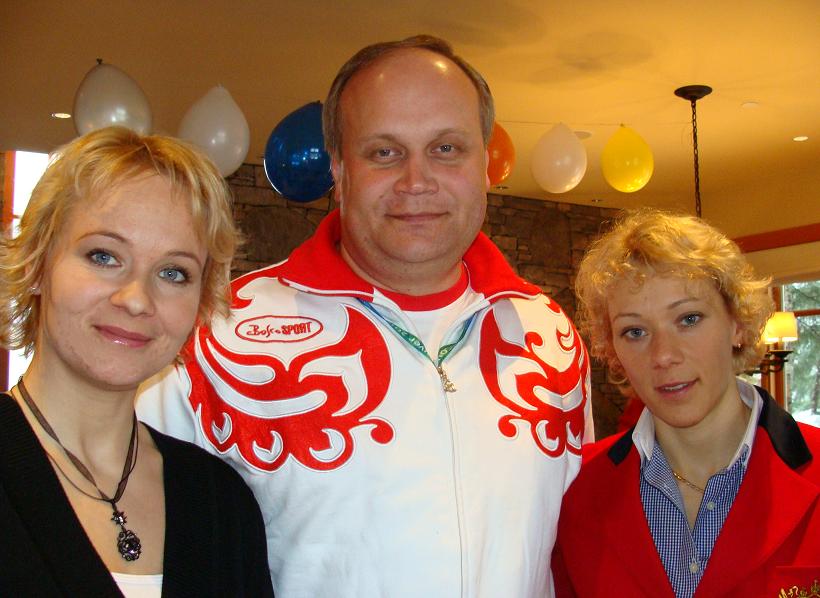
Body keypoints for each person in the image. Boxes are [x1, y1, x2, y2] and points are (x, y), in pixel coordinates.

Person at [137, 35, 592, 597]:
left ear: (484, 164)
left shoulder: (552, 339)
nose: (416, 181)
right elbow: (139, 552)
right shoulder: (215, 336)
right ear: (338, 168)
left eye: (447, 148)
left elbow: (573, 553)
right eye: (384, 152)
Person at [0, 126, 274, 597]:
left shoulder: (221, 503)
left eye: (173, 272)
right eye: (104, 256)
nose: (136, 299)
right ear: (37, 263)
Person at [553, 209, 820, 597]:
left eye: (689, 319)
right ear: (613, 351)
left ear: (737, 323)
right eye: (635, 331)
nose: (663, 355)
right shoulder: (576, 494)